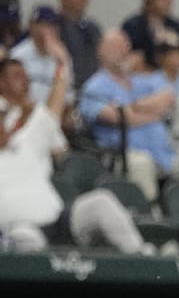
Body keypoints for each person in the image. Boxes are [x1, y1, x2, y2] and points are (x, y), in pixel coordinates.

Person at [0, 58, 143, 253]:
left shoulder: (26, 140)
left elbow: (52, 110)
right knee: (24, 239)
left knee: (101, 201)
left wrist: (61, 62)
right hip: (20, 230)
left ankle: (142, 257)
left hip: (60, 220)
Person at [79, 31, 178, 201]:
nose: (124, 51)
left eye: (126, 46)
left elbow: (169, 96)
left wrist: (136, 106)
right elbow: (121, 118)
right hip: (123, 154)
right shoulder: (94, 87)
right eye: (117, 47)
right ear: (101, 53)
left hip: (162, 149)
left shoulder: (141, 80)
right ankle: (150, 214)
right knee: (142, 164)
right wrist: (154, 113)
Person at [122, 0, 179, 73]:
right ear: (149, 0)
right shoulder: (133, 25)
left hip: (171, 77)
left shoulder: (176, 26)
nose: (168, 1)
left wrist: (175, 43)